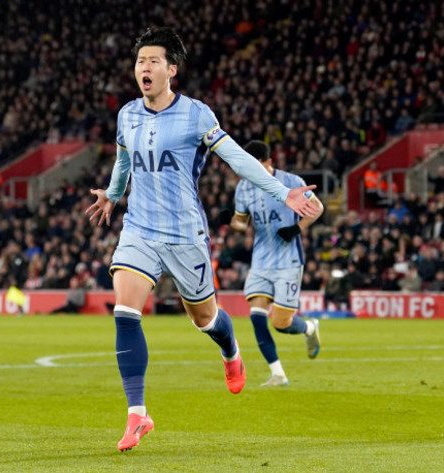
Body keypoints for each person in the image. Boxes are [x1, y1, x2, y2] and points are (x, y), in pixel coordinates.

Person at [85, 27, 318, 452]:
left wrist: (282, 191)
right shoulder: (127, 115)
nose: (145, 68)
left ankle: (230, 348)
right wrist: (114, 195)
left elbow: (235, 158)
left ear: (171, 70)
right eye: (140, 62)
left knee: (205, 319)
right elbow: (124, 161)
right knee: (124, 311)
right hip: (139, 228)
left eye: (154, 61)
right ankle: (138, 413)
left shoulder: (197, 114)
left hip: (184, 233)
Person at [230, 141, 323, 387]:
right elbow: (240, 221)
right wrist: (234, 223)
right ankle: (278, 374)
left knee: (281, 324)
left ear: (269, 162)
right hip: (260, 262)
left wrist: (296, 229)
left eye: (256, 165)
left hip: (288, 261)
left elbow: (318, 207)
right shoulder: (243, 188)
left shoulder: (291, 182)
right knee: (257, 318)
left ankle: (309, 328)